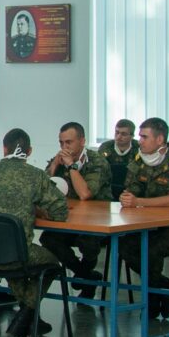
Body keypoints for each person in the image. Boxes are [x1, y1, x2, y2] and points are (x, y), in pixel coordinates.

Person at [0, 128, 69, 337]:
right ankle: (26, 314)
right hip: (17, 253)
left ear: (4, 149)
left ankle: (30, 319)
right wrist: (37, 209)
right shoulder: (35, 175)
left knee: (15, 265)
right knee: (52, 265)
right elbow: (60, 211)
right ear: (29, 151)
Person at [118, 117, 169, 320]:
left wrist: (138, 202)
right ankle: (165, 287)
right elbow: (131, 188)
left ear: (160, 139)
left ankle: (153, 298)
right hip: (149, 223)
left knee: (151, 249)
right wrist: (127, 197)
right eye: (140, 136)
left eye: (144, 137)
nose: (140, 141)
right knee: (125, 245)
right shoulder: (139, 159)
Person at [39, 122, 112, 300]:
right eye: (61, 142)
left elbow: (85, 194)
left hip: (97, 221)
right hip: (71, 218)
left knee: (87, 242)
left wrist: (72, 166)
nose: (64, 147)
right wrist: (53, 166)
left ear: (82, 141)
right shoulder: (60, 160)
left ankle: (85, 277)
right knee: (48, 238)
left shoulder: (97, 162)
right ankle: (86, 276)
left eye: (69, 142)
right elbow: (40, 188)